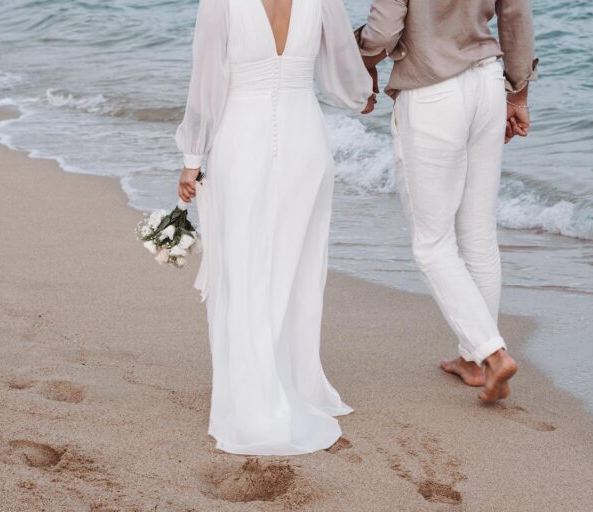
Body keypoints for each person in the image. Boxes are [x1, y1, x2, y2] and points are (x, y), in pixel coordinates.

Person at [174, 0, 374, 455]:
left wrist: (192, 159)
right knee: (298, 267)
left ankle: (256, 392)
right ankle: (294, 381)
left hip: (242, 142)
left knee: (244, 267)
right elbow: (344, 65)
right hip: (307, 142)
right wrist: (364, 93)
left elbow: (206, 82)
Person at [358, 0, 537, 402]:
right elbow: (516, 15)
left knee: (432, 244)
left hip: (431, 90)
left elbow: (384, 32)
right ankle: (473, 361)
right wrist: (519, 92)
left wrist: (362, 57)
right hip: (488, 83)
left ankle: (491, 353)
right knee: (478, 233)